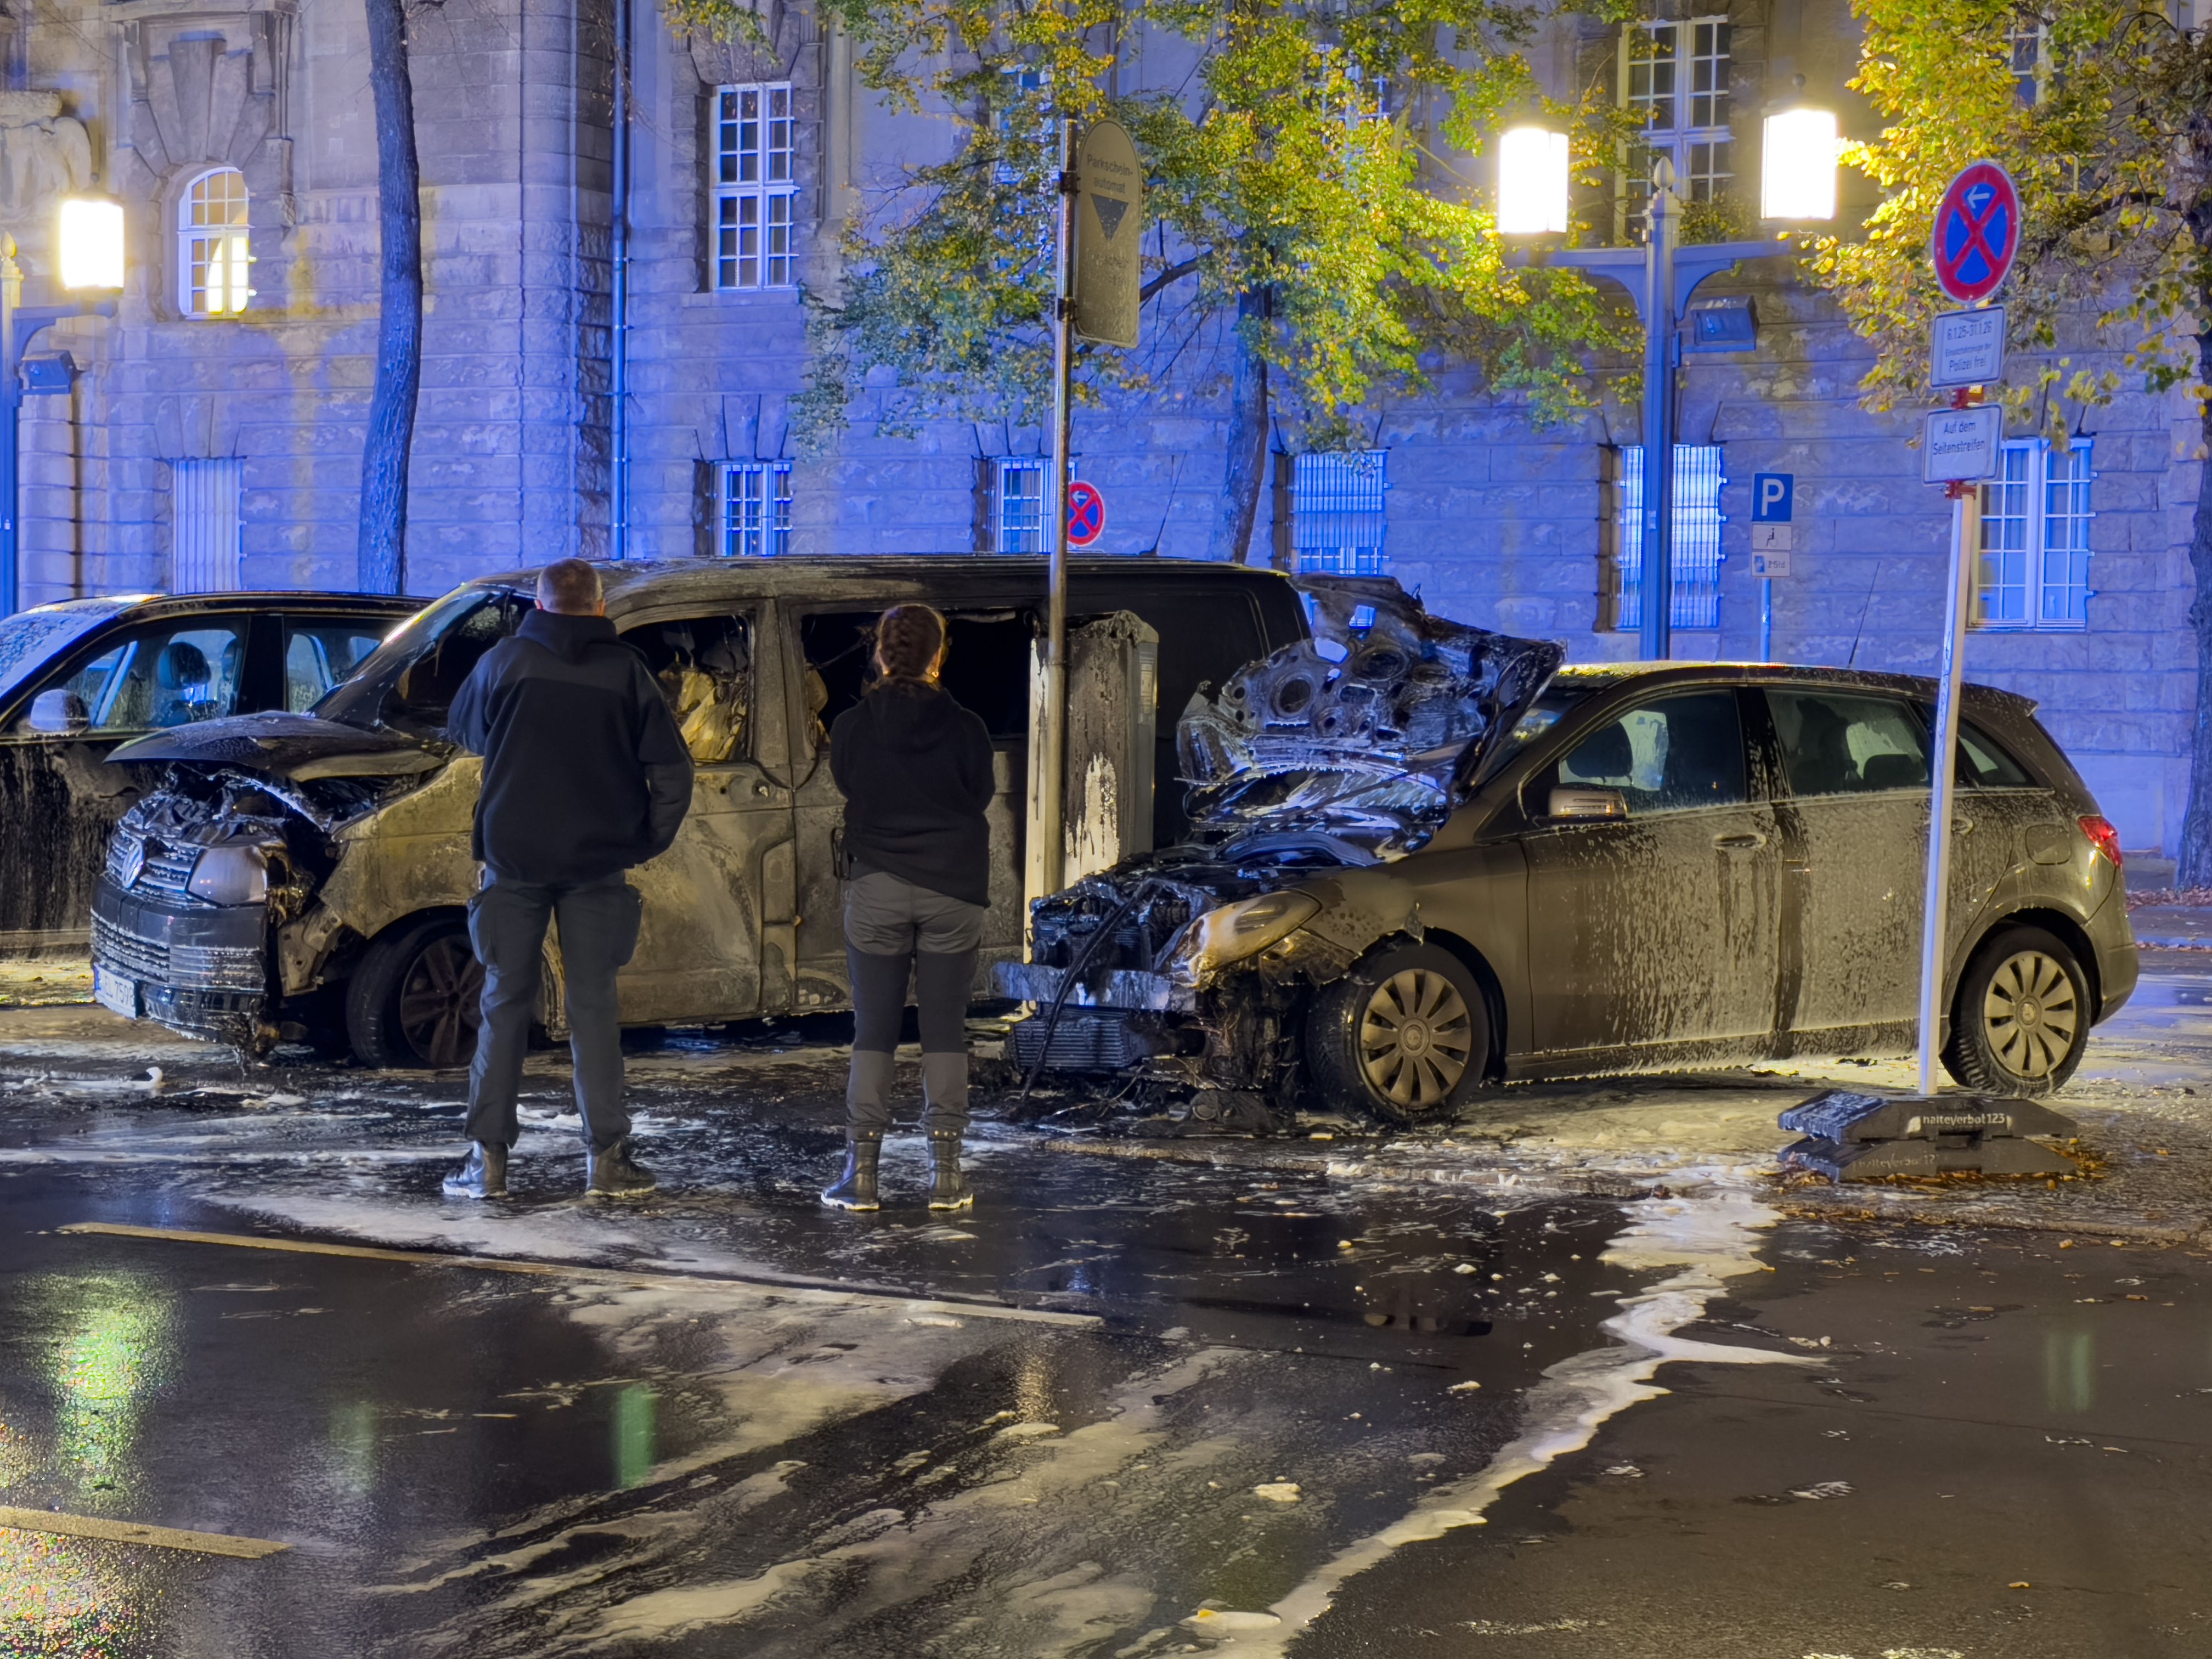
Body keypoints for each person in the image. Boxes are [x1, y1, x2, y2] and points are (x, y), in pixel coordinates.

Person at [439, 558, 694, 1200]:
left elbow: (466, 732)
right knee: (594, 1011)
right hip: (597, 864)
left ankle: (488, 1162)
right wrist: (644, 838)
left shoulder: (503, 663)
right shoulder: (629, 674)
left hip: (513, 859)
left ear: (541, 606)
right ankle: (607, 1160)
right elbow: (673, 773)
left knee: (502, 1005)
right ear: (601, 608)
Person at [821, 603, 994, 1212]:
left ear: (880, 654)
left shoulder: (851, 726)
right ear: (937, 657)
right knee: (945, 1028)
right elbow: (980, 795)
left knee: (875, 1029)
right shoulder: (968, 726)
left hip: (879, 886)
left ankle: (861, 1176)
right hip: (954, 886)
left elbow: (849, 784)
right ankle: (947, 1177)